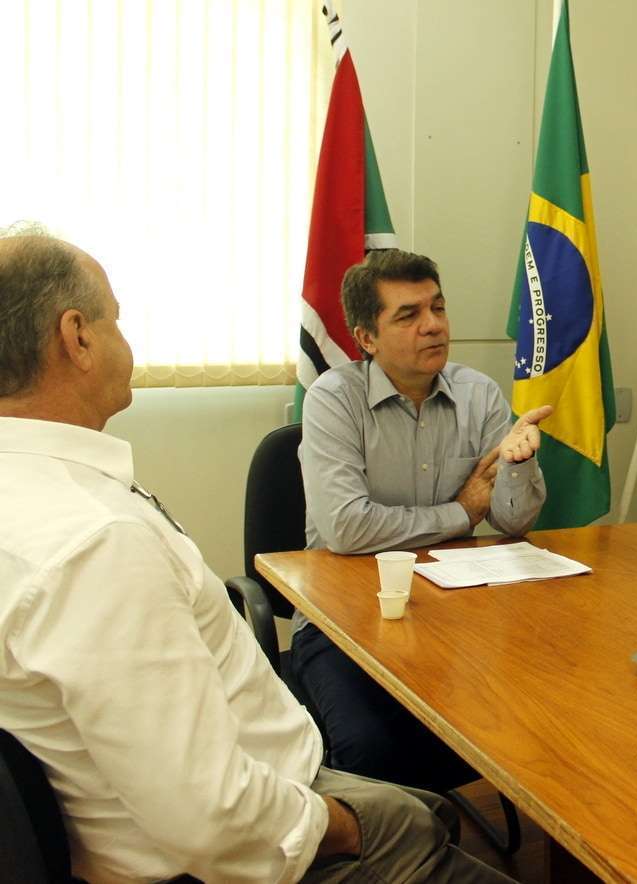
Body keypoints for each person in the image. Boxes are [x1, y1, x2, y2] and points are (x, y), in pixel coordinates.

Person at [0, 229, 510, 883]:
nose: (432, 326)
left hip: (227, 796)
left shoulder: (38, 501)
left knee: (430, 811)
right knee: (419, 820)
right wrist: (344, 827)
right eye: (116, 320)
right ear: (77, 338)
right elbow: (211, 817)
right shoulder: (97, 544)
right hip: (264, 841)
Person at [294, 248, 550, 793]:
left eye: (437, 307)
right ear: (366, 339)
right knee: (369, 747)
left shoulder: (478, 392)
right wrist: (461, 513)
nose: (433, 325)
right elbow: (347, 528)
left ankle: (427, 834)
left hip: (454, 617)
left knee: (529, 717)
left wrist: (519, 464)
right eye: (408, 315)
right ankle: (392, 851)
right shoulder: (333, 401)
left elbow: (510, 521)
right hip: (342, 621)